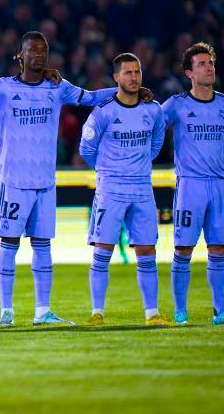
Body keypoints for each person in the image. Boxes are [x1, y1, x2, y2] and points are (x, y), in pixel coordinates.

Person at [0, 31, 146, 326]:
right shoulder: (3, 88)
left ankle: (42, 312)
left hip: (45, 181)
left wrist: (127, 92)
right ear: (19, 55)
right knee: (9, 244)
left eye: (43, 50)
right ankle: (6, 311)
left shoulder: (58, 87)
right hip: (14, 181)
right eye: (32, 50)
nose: (39, 55)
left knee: (43, 245)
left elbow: (91, 98)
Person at [162, 42, 224, 325]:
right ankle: (180, 312)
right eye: (201, 64)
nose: (209, 67)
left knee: (219, 249)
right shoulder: (176, 105)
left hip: (220, 185)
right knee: (183, 249)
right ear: (189, 72)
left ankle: (220, 311)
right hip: (190, 186)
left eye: (210, 63)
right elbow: (150, 124)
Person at [79, 52, 168, 327]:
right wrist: (109, 170)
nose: (134, 77)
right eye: (127, 73)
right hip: (111, 190)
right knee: (103, 250)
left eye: (137, 72)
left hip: (142, 189)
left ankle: (152, 314)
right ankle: (97, 313)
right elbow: (86, 149)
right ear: (116, 77)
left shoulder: (153, 110)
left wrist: (138, 166)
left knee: (147, 252)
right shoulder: (104, 111)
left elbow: (156, 143)